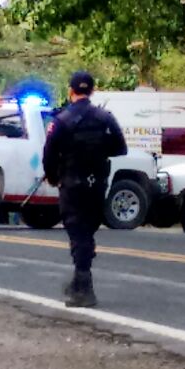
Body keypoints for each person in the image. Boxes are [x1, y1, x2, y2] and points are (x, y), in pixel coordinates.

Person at [43, 71, 127, 307]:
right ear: (92, 90)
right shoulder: (105, 118)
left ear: (71, 91)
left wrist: (52, 177)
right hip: (97, 183)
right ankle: (79, 283)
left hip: (72, 184)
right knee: (87, 232)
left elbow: (49, 154)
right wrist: (97, 150)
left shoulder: (61, 120)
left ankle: (84, 287)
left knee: (78, 232)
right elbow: (121, 148)